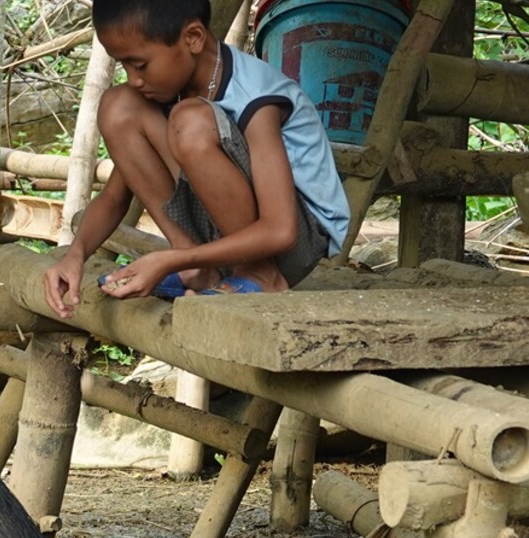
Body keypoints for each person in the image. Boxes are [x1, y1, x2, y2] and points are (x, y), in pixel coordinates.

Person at [42, 0, 351, 318]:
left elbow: (280, 230)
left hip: (293, 242)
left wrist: (170, 261)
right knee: (118, 105)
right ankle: (198, 269)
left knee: (189, 121)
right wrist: (75, 255)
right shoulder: (172, 91)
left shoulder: (256, 98)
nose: (133, 78)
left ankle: (259, 275)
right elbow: (115, 195)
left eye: (141, 65)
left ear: (192, 37)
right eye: (124, 66)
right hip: (229, 236)